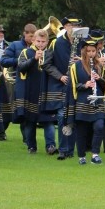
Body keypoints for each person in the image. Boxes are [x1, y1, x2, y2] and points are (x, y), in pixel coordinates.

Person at [42, 15, 82, 160]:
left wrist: (82, 61)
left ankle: (72, 149)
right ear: (65, 27)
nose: (75, 28)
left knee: (75, 118)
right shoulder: (56, 43)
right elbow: (46, 64)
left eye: (77, 25)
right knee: (61, 117)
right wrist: (60, 76)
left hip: (79, 86)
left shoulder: (83, 43)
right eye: (72, 25)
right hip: (61, 85)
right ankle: (64, 150)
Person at [65, 38, 105, 165]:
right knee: (82, 130)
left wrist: (99, 79)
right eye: (88, 51)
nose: (91, 54)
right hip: (83, 101)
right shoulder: (75, 66)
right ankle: (81, 156)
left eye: (93, 51)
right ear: (84, 51)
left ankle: (95, 154)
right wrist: (85, 85)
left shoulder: (100, 66)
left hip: (97, 101)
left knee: (99, 126)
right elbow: (72, 86)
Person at [15, 29, 57, 154]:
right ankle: (31, 146)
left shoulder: (50, 53)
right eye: (38, 41)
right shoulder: (26, 52)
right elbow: (21, 67)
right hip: (30, 90)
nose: (40, 44)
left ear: (47, 42)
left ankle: (50, 146)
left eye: (43, 42)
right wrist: (34, 59)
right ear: (33, 40)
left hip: (46, 90)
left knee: (48, 120)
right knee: (30, 121)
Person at [0, 23, 37, 147]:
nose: (33, 39)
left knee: (31, 112)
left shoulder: (39, 46)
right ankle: (27, 140)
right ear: (24, 34)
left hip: (34, 83)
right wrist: (20, 60)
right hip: (19, 83)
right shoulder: (15, 45)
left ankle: (28, 140)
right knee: (22, 112)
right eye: (31, 36)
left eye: (34, 36)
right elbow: (3, 60)